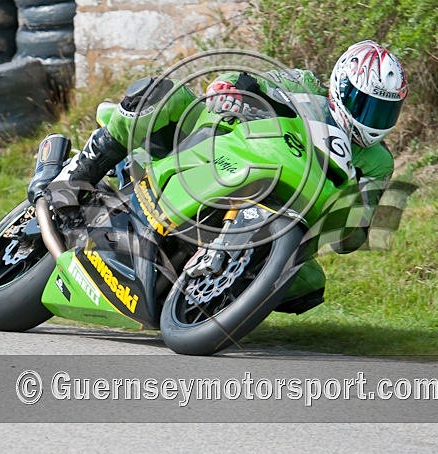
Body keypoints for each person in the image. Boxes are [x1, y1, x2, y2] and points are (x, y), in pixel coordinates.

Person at [28, 40, 408, 314]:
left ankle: (212, 297)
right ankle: (73, 177)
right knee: (160, 95)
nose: (372, 118)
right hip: (223, 147)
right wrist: (228, 90)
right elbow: (246, 80)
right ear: (340, 86)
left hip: (286, 210)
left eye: (383, 111)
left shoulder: (378, 162)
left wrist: (356, 219)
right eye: (365, 104)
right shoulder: (303, 84)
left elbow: (352, 234)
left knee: (307, 286)